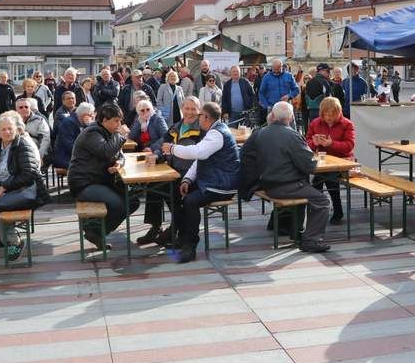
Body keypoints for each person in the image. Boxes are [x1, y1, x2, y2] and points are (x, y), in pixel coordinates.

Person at [161, 102, 239, 262]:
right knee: (176, 191)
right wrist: (188, 179)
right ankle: (182, 236)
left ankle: (190, 246)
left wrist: (172, 149)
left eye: (200, 115)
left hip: (222, 185)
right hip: (213, 180)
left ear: (206, 117)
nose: (198, 118)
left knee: (190, 201)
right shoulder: (213, 131)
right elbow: (200, 159)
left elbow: (198, 153)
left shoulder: (217, 134)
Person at [255, 101, 332, 253]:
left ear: (274, 116)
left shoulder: (261, 133)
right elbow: (309, 165)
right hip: (285, 185)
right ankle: (311, 240)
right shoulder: (292, 135)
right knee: (322, 201)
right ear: (290, 117)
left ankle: (297, 231)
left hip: (266, 184)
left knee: (308, 192)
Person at [0, 111, 48, 261]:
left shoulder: (22, 145)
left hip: (20, 189)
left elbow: (28, 174)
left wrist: (3, 188)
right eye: (3, 129)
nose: (7, 132)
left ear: (16, 129)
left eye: (10, 128)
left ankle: (13, 242)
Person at [68, 102, 139, 250]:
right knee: (118, 205)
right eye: (116, 121)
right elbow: (106, 151)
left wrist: (119, 163)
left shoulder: (109, 132)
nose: (119, 124)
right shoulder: (92, 133)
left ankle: (97, 232)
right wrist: (120, 134)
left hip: (101, 181)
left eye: (120, 121)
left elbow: (119, 154)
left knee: (133, 201)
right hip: (84, 183)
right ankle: (95, 231)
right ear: (104, 120)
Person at [140, 97, 203, 247]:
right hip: (174, 171)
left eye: (193, 109)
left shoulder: (201, 129)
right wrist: (156, 154)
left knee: (172, 192)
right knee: (153, 186)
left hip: (191, 175)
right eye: (187, 108)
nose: (189, 112)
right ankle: (155, 227)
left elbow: (201, 154)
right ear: (182, 109)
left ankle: (178, 230)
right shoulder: (176, 126)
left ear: (199, 111)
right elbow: (162, 143)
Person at [305, 97, 355, 225]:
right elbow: (307, 142)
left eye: (331, 114)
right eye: (325, 114)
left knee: (324, 179)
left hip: (342, 162)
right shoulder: (315, 123)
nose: (328, 117)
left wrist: (331, 144)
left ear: (338, 112)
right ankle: (331, 210)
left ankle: (323, 210)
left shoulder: (347, 124)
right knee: (323, 178)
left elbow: (349, 145)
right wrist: (314, 143)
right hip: (322, 162)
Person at [52, 102, 95, 170]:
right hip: (65, 157)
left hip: (77, 155)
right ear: (84, 115)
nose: (93, 117)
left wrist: (89, 125)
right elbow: (70, 146)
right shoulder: (69, 123)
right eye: (91, 114)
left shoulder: (82, 122)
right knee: (92, 167)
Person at [303, 63, 334, 127]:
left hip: (311, 111)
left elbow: (306, 97)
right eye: (327, 71)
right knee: (323, 132)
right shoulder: (324, 82)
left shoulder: (309, 81)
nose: (329, 73)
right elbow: (328, 98)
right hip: (323, 111)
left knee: (314, 131)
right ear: (321, 71)